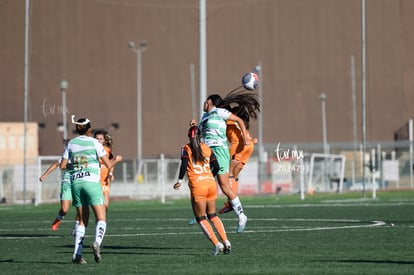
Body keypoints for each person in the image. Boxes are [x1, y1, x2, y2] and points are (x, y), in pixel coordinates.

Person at [189, 93, 253, 233]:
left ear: (209, 102)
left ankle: (242, 216)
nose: (203, 104)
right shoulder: (204, 117)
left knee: (224, 186)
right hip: (207, 154)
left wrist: (245, 137)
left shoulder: (220, 112)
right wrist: (195, 128)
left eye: (205, 102)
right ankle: (202, 214)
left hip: (220, 152)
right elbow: (199, 136)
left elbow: (240, 121)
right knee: (204, 183)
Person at [60, 115, 113, 264]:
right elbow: (108, 164)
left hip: (76, 183)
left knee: (82, 221)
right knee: (101, 218)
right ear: (89, 129)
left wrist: (77, 166)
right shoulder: (95, 142)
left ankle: (77, 255)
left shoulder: (70, 144)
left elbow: (63, 166)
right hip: (91, 183)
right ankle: (97, 242)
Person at [174, 125, 231, 255]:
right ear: (201, 136)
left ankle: (217, 244)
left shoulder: (186, 148)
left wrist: (180, 181)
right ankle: (226, 241)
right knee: (213, 215)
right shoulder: (208, 148)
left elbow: (183, 165)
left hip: (198, 186)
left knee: (201, 218)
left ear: (189, 136)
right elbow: (216, 167)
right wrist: (209, 176)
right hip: (210, 184)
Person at [219, 105, 258, 214]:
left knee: (229, 173)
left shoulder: (228, 120)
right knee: (234, 175)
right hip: (249, 146)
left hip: (239, 146)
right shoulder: (240, 122)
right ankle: (230, 203)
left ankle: (231, 202)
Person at [39, 140, 81, 233]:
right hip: (67, 183)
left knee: (80, 207)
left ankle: (77, 227)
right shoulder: (66, 157)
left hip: (79, 183)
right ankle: (58, 218)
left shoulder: (80, 156)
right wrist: (45, 175)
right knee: (65, 209)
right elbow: (56, 164)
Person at [93, 130, 122, 211]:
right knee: (96, 205)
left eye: (101, 139)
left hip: (105, 180)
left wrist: (111, 173)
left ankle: (100, 221)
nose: (99, 141)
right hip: (95, 180)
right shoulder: (91, 150)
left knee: (105, 205)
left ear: (104, 140)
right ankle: (99, 220)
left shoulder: (107, 150)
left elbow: (111, 163)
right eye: (97, 139)